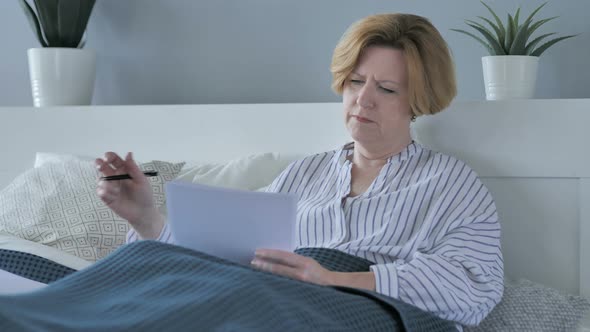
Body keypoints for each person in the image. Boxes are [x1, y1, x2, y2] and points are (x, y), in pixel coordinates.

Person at [96, 13, 503, 328]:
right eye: (355, 82)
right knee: (123, 301)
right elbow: (226, 259)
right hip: (268, 303)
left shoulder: (450, 182)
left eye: (387, 89)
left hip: (362, 317)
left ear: (419, 101)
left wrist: (332, 280)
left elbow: (473, 287)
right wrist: (146, 218)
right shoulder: (303, 174)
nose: (363, 100)